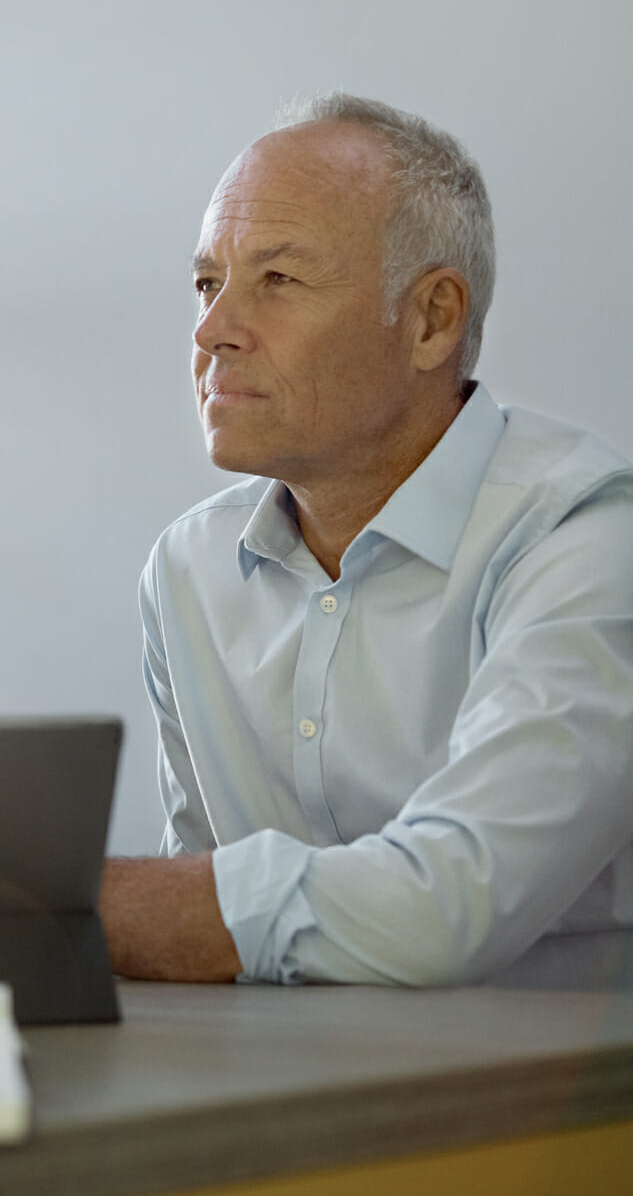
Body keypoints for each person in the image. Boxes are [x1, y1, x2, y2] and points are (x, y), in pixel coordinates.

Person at [102, 92, 633, 987]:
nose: (211, 331)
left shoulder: (581, 537)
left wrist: (62, 904)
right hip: (282, 1099)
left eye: (277, 280)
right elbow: (191, 927)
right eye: (207, 282)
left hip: (548, 1116)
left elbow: (448, 904)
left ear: (431, 320)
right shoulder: (186, 570)